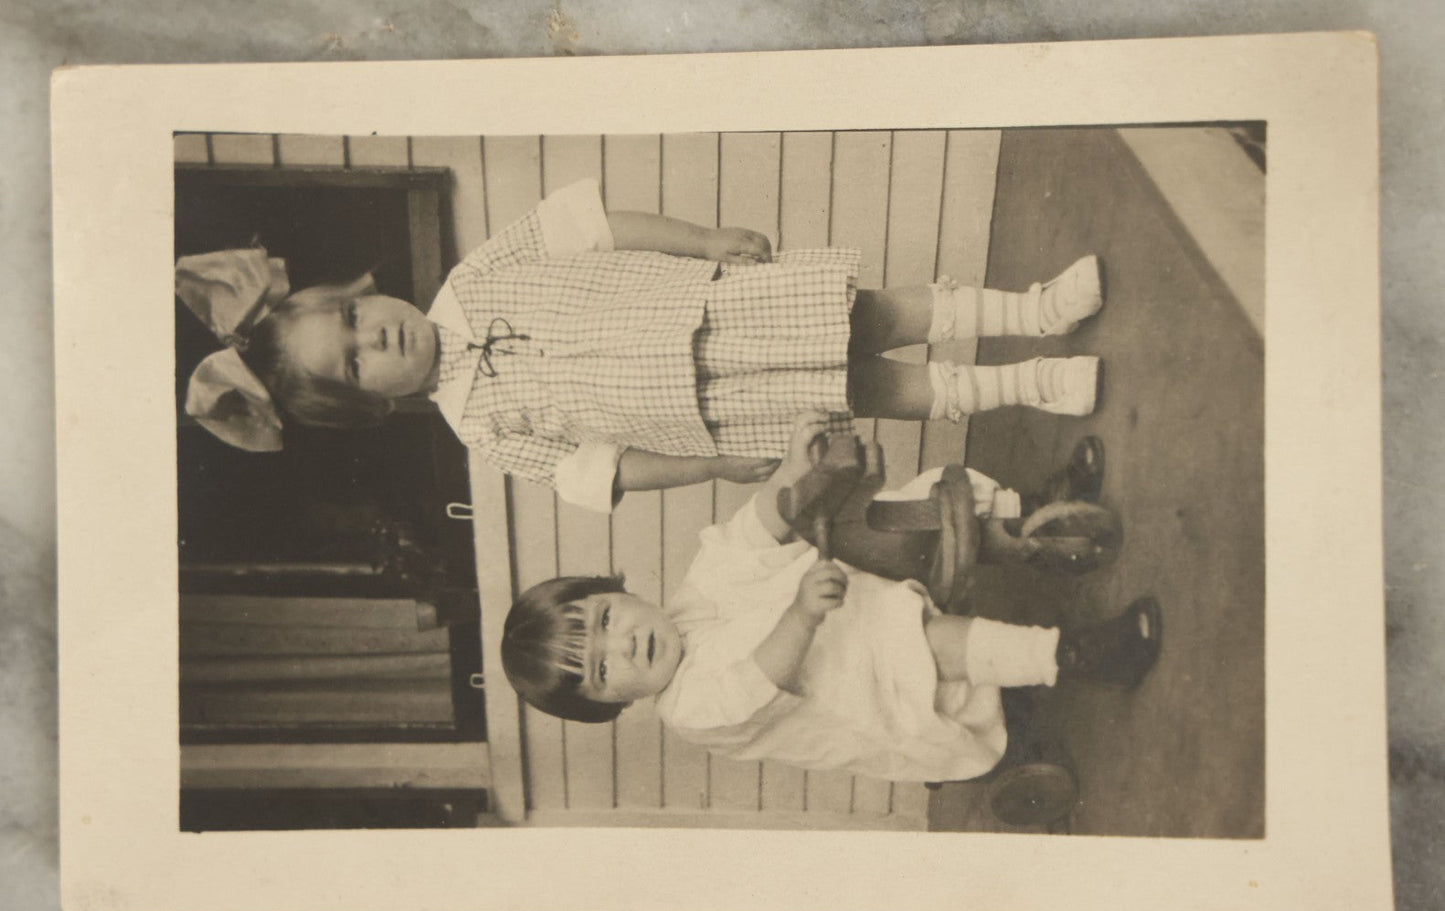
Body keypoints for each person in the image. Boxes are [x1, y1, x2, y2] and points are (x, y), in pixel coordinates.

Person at [179, 179, 1106, 512]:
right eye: (354, 361)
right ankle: (1029, 386)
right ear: (372, 400)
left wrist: (703, 241)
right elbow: (604, 467)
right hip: (712, 405)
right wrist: (706, 470)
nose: (371, 336)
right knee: (874, 390)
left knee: (876, 316)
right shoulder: (480, 428)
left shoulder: (477, 275)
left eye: (348, 318)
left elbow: (596, 228)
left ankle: (1031, 316)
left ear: (359, 292)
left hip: (718, 304)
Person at [500, 412, 1161, 784]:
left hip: (869, 618)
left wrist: (794, 470)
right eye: (601, 668)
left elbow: (756, 527)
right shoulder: (690, 710)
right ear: (610, 703)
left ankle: (1035, 512)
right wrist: (800, 613)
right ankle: (1076, 655)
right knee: (939, 647)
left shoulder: (696, 590)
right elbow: (764, 674)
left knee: (912, 508)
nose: (623, 643)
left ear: (617, 590)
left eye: (606, 619)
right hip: (872, 694)